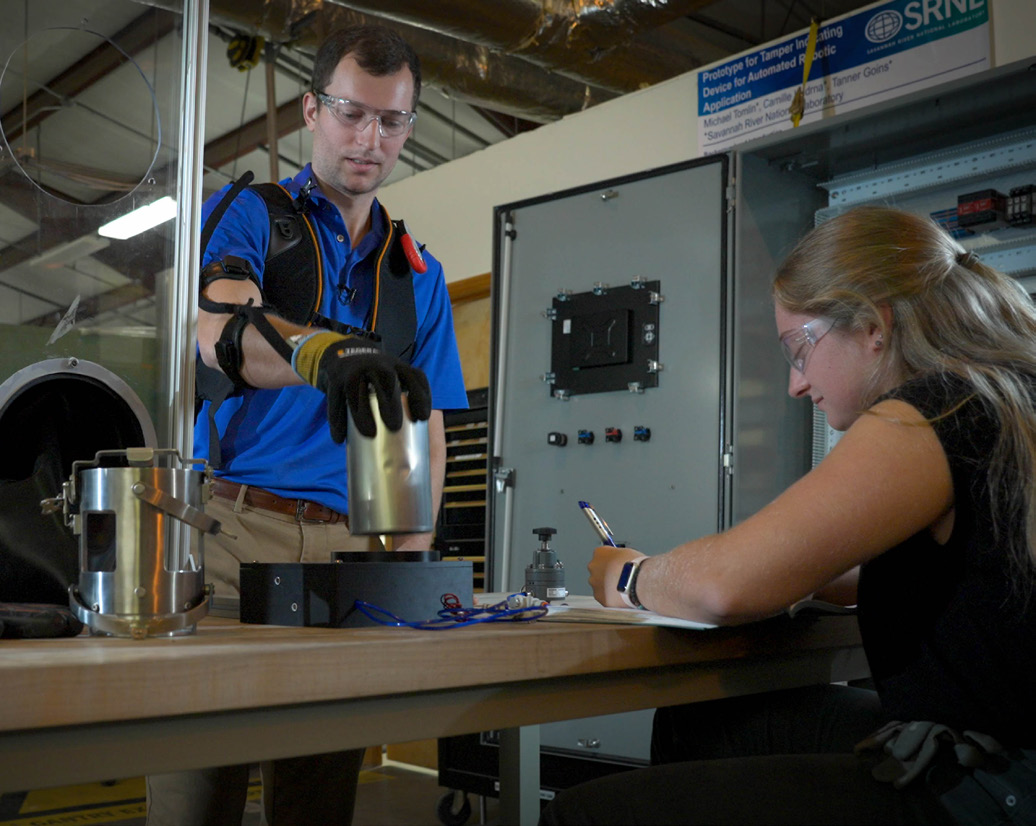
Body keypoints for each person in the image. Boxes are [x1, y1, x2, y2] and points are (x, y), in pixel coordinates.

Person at [540, 205, 1036, 825]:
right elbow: (973, 579)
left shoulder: (932, 410)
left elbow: (724, 589)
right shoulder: (1005, 395)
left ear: (873, 326)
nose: (796, 384)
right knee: (702, 720)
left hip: (992, 785)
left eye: (799, 348)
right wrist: (804, 575)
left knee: (582, 815)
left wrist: (633, 578)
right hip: (1000, 748)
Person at [145, 24, 468, 826]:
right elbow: (216, 328)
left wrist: (409, 570)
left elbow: (424, 435)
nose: (370, 139)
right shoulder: (251, 215)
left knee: (318, 803)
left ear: (410, 128)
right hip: (227, 536)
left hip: (350, 550)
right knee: (196, 798)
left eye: (392, 121)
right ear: (311, 109)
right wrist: (322, 354)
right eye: (352, 113)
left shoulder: (415, 273)